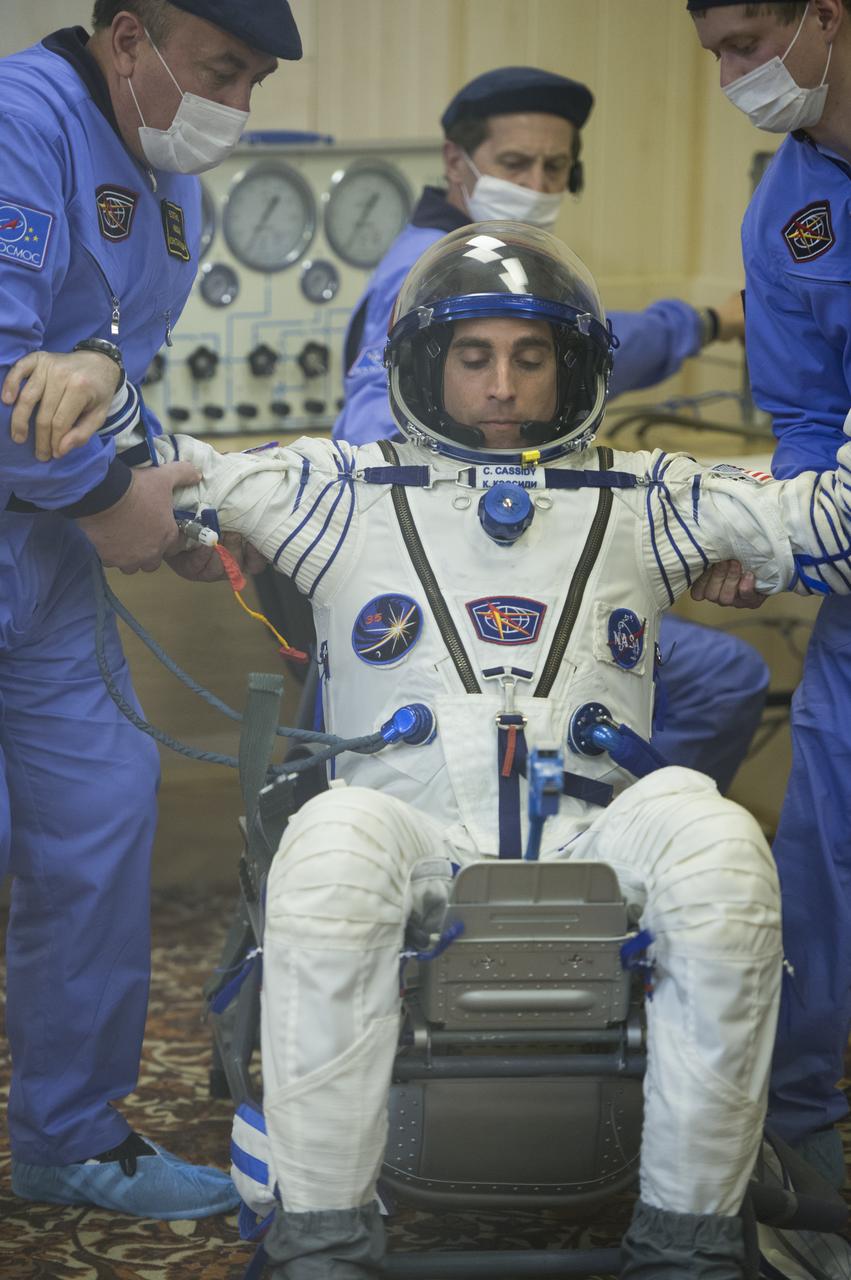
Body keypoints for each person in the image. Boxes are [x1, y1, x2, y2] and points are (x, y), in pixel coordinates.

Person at [120, 220, 851, 1278]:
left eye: (529, 356)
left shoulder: (645, 497)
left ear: (572, 367)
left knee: (723, 850)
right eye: (473, 356)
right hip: (408, 828)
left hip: (596, 831)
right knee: (326, 846)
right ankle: (322, 1238)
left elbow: (827, 522)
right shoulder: (338, 491)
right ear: (427, 362)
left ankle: (684, 1240)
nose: (502, 386)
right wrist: (87, 373)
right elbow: (156, 475)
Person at [0, 0, 301, 1218]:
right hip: (56, 515)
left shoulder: (169, 180)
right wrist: (112, 501)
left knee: (100, 817)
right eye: (222, 70)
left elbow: (104, 383)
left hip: (44, 559)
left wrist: (180, 501)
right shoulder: (20, 125)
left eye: (255, 81)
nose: (238, 106)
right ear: (129, 41)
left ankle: (69, 1133)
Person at [331, 65, 770, 795]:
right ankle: (608, 823)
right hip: (455, 588)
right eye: (514, 163)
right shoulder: (425, 275)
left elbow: (593, 347)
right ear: (456, 162)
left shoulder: (496, 263)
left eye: (554, 167)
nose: (535, 185)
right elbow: (378, 444)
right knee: (724, 677)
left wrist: (702, 322)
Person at [689, 0, 851, 1190]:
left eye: (746, 44)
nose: (731, 76)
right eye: (715, 56)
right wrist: (779, 539)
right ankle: (795, 1130)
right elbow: (801, 423)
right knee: (820, 853)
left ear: (824, 18)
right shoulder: (782, 214)